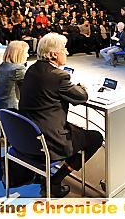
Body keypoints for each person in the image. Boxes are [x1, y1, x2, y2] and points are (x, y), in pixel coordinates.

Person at [19, 33, 103, 198]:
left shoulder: (32, 69)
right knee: (95, 138)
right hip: (50, 138)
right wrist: (81, 88)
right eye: (63, 49)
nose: (66, 51)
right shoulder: (59, 76)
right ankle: (55, 181)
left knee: (78, 131)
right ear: (53, 54)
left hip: (28, 133)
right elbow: (81, 97)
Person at [0, 41, 29, 111]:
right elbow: (28, 90)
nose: (28, 55)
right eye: (26, 53)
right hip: (11, 110)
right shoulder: (18, 69)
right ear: (19, 54)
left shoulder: (3, 65)